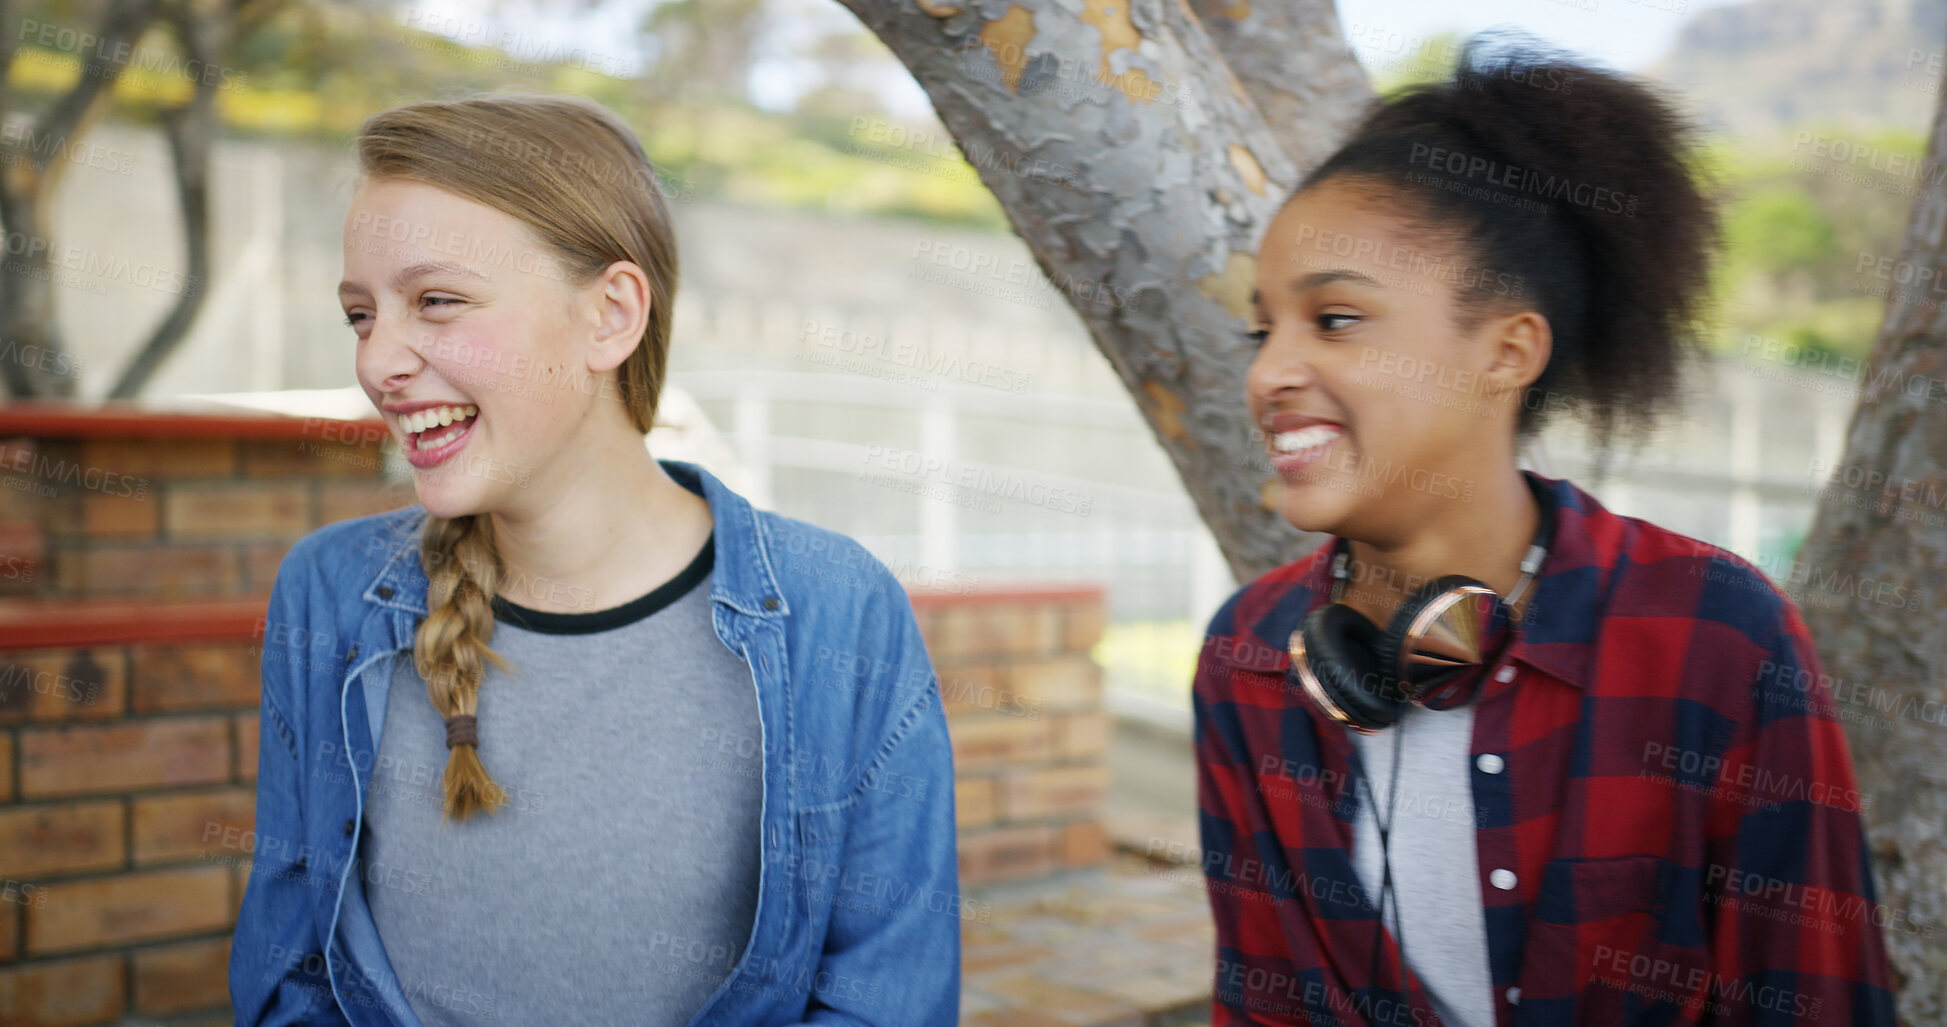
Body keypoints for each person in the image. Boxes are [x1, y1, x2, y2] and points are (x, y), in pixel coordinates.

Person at [1192, 37, 1897, 1025]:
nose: (1269, 374)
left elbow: (1816, 999)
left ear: (1508, 350)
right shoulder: (1249, 653)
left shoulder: (1718, 634)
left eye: (1338, 319)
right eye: (1263, 331)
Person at [231, 93, 961, 1026]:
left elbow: (886, 996)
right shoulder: (328, 593)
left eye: (437, 302)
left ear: (611, 315)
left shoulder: (837, 610)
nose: (379, 363)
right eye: (361, 315)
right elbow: (292, 974)